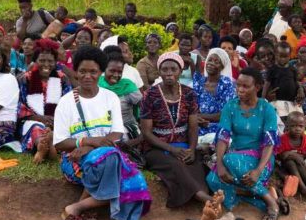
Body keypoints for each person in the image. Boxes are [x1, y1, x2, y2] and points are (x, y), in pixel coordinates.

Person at [55, 46, 151, 220]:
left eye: (93, 72)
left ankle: (77, 208)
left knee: (130, 176)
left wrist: (92, 148)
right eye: (82, 71)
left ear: (100, 72)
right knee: (112, 160)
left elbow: (117, 134)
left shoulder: (110, 97)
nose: (87, 76)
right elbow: (59, 143)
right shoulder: (66, 102)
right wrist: (87, 142)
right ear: (76, 72)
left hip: (107, 155)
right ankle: (84, 209)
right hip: (74, 161)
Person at [205, 68, 282, 220]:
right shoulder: (230, 107)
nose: (240, 89)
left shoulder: (266, 109)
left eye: (246, 86)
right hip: (235, 158)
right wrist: (219, 165)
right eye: (238, 85)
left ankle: (271, 202)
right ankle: (256, 195)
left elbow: (269, 144)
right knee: (212, 179)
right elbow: (222, 138)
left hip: (261, 160)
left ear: (257, 87)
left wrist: (258, 170)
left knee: (230, 160)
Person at [139, 52, 213, 208]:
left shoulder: (189, 94)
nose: (169, 73)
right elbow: (146, 133)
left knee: (195, 162)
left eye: (173, 69)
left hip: (183, 144)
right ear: (159, 72)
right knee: (175, 165)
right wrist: (171, 149)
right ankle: (205, 199)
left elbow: (193, 126)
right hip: (156, 147)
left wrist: (191, 149)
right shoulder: (150, 95)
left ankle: (204, 197)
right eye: (164, 69)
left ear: (180, 71)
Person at [18, 38, 73, 163]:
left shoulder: (63, 79)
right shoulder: (25, 79)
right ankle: (42, 146)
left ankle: (50, 143)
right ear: (35, 61)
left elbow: (68, 103)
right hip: (32, 119)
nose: (46, 64)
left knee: (60, 130)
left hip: (57, 120)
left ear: (55, 62)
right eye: (42, 61)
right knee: (35, 127)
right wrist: (40, 118)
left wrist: (55, 120)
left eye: (50, 61)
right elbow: (20, 106)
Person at [99, 49, 143, 144]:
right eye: (112, 71)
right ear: (104, 69)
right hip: (102, 128)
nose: (116, 75)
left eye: (119, 72)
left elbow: (146, 109)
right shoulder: (97, 85)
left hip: (127, 129)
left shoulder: (128, 86)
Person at [193, 48, 237, 143]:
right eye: (210, 60)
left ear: (222, 66)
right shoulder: (200, 82)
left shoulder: (226, 84)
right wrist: (197, 119)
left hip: (218, 126)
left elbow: (224, 115)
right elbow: (193, 106)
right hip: (199, 124)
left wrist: (199, 116)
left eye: (216, 62)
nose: (211, 63)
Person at [276, 111, 306, 200]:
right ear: (287, 126)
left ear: (305, 126)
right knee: (290, 162)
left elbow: (304, 156)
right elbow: (280, 156)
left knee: (299, 163)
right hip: (285, 167)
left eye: (301, 126)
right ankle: (303, 188)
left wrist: (290, 154)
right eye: (293, 126)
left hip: (300, 165)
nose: (297, 129)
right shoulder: (283, 139)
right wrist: (292, 155)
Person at [266, 41, 306, 120]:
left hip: (293, 102)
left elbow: (297, 82)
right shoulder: (272, 69)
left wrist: (300, 90)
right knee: (281, 121)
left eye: (286, 57)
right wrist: (264, 100)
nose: (283, 59)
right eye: (281, 56)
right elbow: (266, 85)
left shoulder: (292, 69)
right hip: (277, 102)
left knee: (296, 121)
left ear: (289, 56)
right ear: (275, 55)